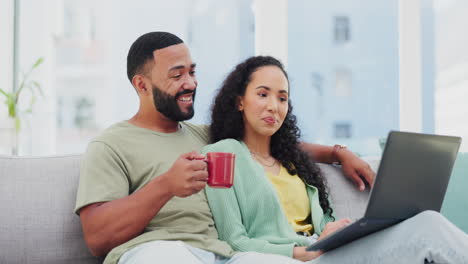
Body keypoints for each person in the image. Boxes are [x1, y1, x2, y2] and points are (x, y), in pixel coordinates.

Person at [74, 32, 375, 264]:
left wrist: (337, 153)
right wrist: (166, 186)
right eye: (177, 75)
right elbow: (97, 238)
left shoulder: (209, 138)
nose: (190, 83)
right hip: (155, 251)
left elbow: (272, 142)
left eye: (192, 72)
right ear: (141, 85)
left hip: (221, 254)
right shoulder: (111, 144)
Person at [203, 55, 468, 264]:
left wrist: (337, 230)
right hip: (287, 258)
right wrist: (297, 252)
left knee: (425, 221)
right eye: (263, 94)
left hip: (325, 252)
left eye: (282, 98)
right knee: (427, 230)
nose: (274, 106)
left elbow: (319, 225)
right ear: (239, 101)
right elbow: (233, 240)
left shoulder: (292, 160)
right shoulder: (221, 155)